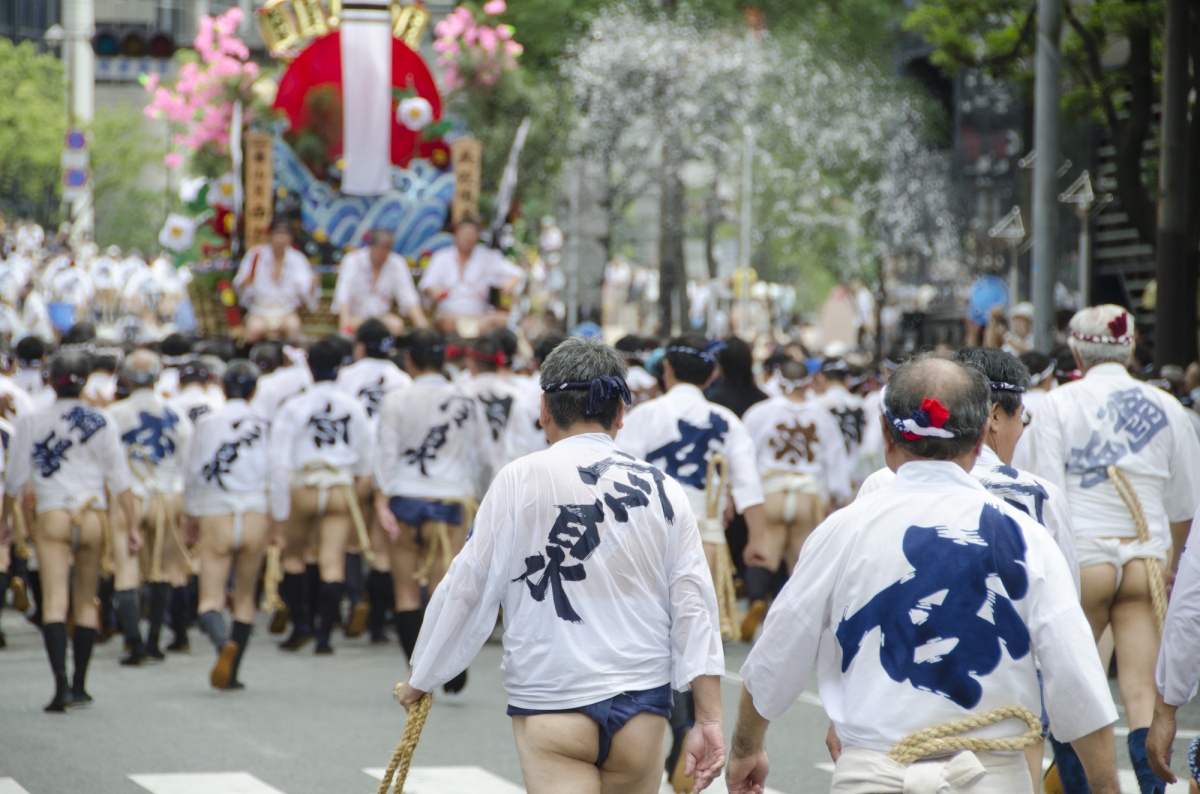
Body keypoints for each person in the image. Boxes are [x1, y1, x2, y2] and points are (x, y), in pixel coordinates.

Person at [726, 355, 1120, 794]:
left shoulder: (846, 527)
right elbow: (1078, 680)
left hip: (873, 775)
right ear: (978, 444)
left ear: (886, 436)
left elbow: (777, 652)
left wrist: (746, 748)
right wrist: (1105, 786)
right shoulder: (1026, 538)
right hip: (991, 778)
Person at [393, 336, 727, 794]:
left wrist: (424, 674)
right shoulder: (663, 488)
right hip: (642, 705)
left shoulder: (519, 478)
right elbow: (695, 607)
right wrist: (709, 718)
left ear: (545, 409)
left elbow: (468, 584)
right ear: (620, 414)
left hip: (552, 698)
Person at [1020, 305, 1200, 794]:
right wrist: (1173, 566)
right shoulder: (1171, 410)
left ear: (1076, 349)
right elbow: (1186, 508)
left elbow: (1047, 496)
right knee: (1143, 693)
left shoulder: (1054, 405)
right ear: (1132, 345)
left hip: (1083, 560)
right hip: (1146, 559)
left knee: (1068, 692)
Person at [617, 334, 765, 790]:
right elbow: (748, 484)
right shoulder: (724, 419)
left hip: (648, 535)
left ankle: (680, 729)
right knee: (694, 634)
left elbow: (619, 475)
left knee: (657, 636)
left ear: (667, 371)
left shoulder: (643, 415)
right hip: (705, 538)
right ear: (712, 374)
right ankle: (684, 727)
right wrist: (756, 539)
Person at [4, 349, 140, 711]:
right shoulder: (102, 420)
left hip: (53, 513)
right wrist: (133, 526)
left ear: (49, 379)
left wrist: (4, 522)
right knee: (85, 601)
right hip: (92, 514)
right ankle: (81, 685)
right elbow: (120, 480)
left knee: (54, 602)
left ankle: (60, 686)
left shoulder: (32, 421)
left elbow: (14, 481)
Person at [374, 329, 480, 692]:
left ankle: (416, 674)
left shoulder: (396, 399)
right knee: (443, 591)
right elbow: (478, 457)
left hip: (404, 498)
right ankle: (448, 668)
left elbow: (385, 455)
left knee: (405, 593)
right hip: (448, 502)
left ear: (409, 360)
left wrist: (380, 499)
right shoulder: (465, 399)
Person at [268, 338, 373, 654]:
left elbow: (278, 459)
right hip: (340, 485)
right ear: (339, 368)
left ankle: (302, 625)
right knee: (332, 561)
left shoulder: (294, 405)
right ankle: (326, 637)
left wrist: (278, 508)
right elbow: (365, 459)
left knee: (294, 556)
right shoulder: (353, 405)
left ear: (309, 368)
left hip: (305, 484)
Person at [739, 359, 849, 641]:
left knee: (764, 552)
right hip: (807, 495)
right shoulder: (822, 416)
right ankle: (790, 623)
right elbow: (836, 462)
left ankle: (756, 601)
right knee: (801, 563)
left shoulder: (759, 412)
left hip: (771, 491)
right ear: (809, 382)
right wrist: (836, 499)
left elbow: (744, 458)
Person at [182, 360, 271, 690]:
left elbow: (192, 473)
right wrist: (278, 519)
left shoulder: (206, 422)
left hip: (216, 510)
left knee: (210, 598)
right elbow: (276, 474)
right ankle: (233, 673)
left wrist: (190, 516)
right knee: (245, 598)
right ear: (254, 389)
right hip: (254, 511)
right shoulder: (265, 423)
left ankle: (222, 645)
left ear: (222, 386)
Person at [108, 350, 195, 658]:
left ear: (126, 377)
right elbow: (188, 464)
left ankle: (133, 641)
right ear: (159, 376)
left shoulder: (114, 414)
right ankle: (155, 640)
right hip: (166, 494)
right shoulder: (176, 414)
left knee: (126, 569)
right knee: (163, 569)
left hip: (127, 496)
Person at [335, 319, 412, 641]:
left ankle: (356, 600)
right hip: (389, 466)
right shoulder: (403, 379)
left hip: (357, 467)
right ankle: (378, 625)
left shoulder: (346, 375)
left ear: (361, 345)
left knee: (352, 542)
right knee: (382, 547)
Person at [419, 216, 523, 336]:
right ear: (456, 234)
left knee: (501, 321)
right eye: (464, 233)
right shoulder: (441, 257)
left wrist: (506, 287)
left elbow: (517, 273)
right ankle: (469, 333)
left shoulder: (487, 257)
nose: (467, 237)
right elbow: (426, 285)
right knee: (446, 321)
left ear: (477, 237)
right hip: (448, 317)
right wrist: (433, 291)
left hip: (479, 317)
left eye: (471, 234)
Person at [232, 221, 319, 343]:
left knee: (293, 327)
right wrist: (244, 282)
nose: (281, 238)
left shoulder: (297, 258)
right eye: (278, 234)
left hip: (286, 310)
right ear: (270, 235)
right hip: (260, 310)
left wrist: (312, 285)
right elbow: (240, 281)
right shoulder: (255, 254)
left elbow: (304, 286)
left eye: (285, 235)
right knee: (255, 329)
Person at [332, 229, 428, 336]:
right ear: (371, 246)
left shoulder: (397, 263)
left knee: (397, 325)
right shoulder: (353, 260)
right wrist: (345, 321)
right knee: (349, 326)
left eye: (389, 247)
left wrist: (422, 326)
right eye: (382, 247)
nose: (385, 252)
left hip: (382, 316)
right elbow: (343, 295)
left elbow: (408, 296)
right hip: (356, 316)